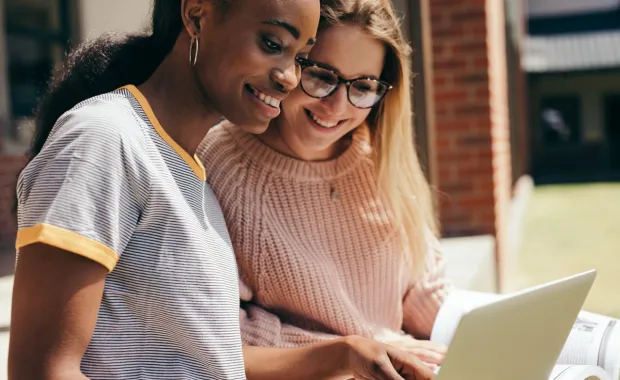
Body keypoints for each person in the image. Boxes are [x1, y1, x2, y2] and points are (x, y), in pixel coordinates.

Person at [9, 0, 434, 379]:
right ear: (197, 15)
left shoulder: (191, 173)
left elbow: (211, 360)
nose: (289, 77)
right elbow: (43, 371)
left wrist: (344, 355)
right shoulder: (104, 139)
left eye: (301, 57)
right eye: (272, 43)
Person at [198, 0, 452, 371]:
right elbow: (219, 333)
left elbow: (420, 285)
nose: (336, 107)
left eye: (363, 86)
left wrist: (481, 326)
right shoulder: (220, 166)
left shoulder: (377, 152)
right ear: (290, 63)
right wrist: (362, 348)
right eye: (321, 76)